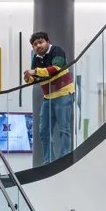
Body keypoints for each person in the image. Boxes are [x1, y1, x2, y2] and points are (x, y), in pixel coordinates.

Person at [23, 29, 74, 163]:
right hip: (48, 98)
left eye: (40, 42)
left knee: (64, 130)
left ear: (47, 42)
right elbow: (37, 78)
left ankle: (64, 159)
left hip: (63, 94)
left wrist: (34, 71)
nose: (38, 46)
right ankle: (49, 161)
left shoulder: (57, 50)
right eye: (35, 44)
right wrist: (29, 78)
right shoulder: (36, 58)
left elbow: (56, 68)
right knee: (43, 131)